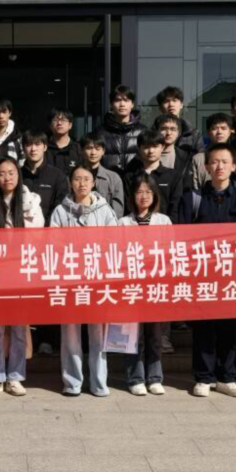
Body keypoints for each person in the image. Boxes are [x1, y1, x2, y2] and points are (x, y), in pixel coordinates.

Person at [188, 143, 236, 399]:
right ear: (206, 166)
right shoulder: (193, 198)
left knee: (231, 327)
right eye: (214, 162)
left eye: (225, 162)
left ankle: (226, 377)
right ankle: (203, 377)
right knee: (203, 328)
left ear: (233, 166)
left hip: (232, 275)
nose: (219, 166)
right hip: (202, 273)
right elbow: (182, 237)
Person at [0, 158, 44, 397]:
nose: (7, 178)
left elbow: (38, 236)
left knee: (18, 327)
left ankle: (15, 376)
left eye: (11, 172)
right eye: (2, 173)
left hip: (21, 271)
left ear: (18, 175)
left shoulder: (31, 201)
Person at [50, 165, 119, 397]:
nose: (82, 183)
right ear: (71, 183)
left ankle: (99, 383)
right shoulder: (60, 211)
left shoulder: (105, 210)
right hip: (70, 280)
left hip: (97, 279)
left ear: (94, 183)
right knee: (70, 333)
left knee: (98, 333)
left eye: (86, 179)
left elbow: (114, 243)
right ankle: (72, 382)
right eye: (77, 179)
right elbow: (53, 244)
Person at [119, 173, 173, 397]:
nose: (144, 196)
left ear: (155, 195)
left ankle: (155, 377)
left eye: (148, 192)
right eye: (139, 192)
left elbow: (171, 252)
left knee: (155, 334)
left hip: (156, 285)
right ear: (132, 196)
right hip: (132, 286)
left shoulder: (164, 221)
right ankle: (136, 378)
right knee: (133, 335)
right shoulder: (123, 223)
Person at [21, 130, 70, 226]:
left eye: (37, 144)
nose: (33, 149)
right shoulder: (17, 175)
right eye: (29, 144)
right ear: (23, 148)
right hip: (20, 230)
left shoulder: (57, 175)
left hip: (50, 229)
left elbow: (60, 205)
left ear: (45, 147)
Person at [125, 130, 180, 211]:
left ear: (162, 147)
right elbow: (128, 206)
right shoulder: (130, 176)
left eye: (155, 146)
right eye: (146, 147)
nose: (151, 151)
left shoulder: (173, 176)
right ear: (139, 149)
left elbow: (175, 208)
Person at [186, 113, 234, 198]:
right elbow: (194, 188)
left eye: (223, 128)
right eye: (214, 128)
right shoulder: (198, 159)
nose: (219, 132)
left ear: (230, 131)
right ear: (208, 132)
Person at [99, 85, 145, 173]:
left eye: (126, 100)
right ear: (111, 104)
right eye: (117, 100)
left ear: (132, 104)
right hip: (109, 180)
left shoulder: (143, 131)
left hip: (135, 179)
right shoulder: (100, 132)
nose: (122, 104)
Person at [79, 132, 126, 218]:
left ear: (103, 151)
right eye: (89, 148)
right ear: (82, 150)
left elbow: (118, 211)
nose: (93, 152)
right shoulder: (75, 177)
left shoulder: (114, 178)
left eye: (97, 149)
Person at [156, 85, 200, 154]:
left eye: (174, 100)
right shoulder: (152, 132)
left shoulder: (193, 133)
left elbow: (200, 156)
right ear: (160, 107)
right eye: (166, 101)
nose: (171, 104)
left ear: (181, 105)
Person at [47, 106, 84, 175]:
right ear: (50, 125)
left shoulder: (78, 149)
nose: (59, 123)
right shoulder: (44, 148)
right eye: (55, 120)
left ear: (70, 125)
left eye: (63, 120)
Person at [0, 97, 23, 162]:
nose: (1, 116)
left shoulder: (18, 138)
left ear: (10, 113)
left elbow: (22, 162)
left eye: (4, 112)